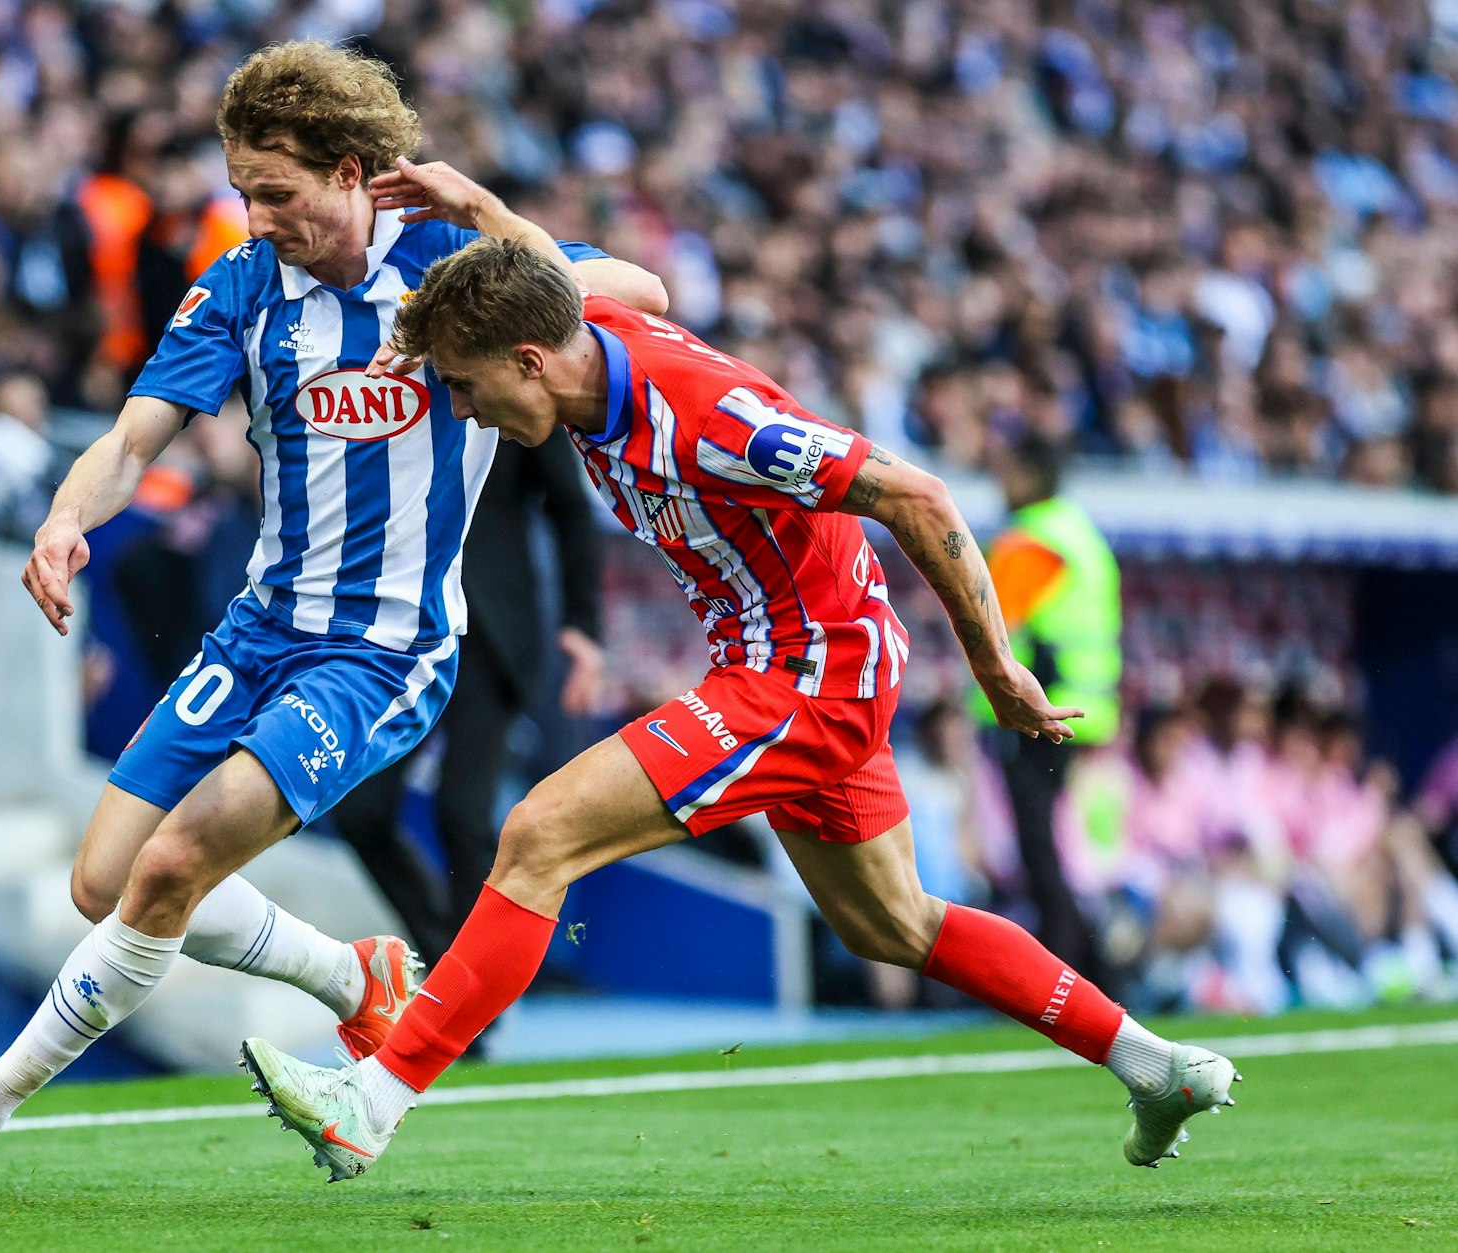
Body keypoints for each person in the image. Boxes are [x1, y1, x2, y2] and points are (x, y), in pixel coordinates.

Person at [237, 229, 1238, 1181]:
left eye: (464, 385)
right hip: (796, 659)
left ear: (531, 359)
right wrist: (461, 211)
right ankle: (1153, 1063)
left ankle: (369, 1099)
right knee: (891, 923)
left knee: (538, 831)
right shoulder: (574, 331)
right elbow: (540, 261)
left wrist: (993, 666)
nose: (459, 408)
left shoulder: (711, 421)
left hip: (804, 672)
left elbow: (920, 498)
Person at [0, 41, 666, 1153]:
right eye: (242, 190)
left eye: (276, 192)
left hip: (384, 648)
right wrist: (61, 520)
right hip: (257, 631)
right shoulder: (240, 285)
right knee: (106, 881)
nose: (256, 213)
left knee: (176, 864)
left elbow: (641, 291)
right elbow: (133, 438)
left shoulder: (449, 266)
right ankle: (354, 971)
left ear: (349, 171)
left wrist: (481, 204)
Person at [330, 431, 606, 964]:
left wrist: (583, 625)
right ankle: (450, 967)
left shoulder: (507, 381)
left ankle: (464, 999)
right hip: (397, 633)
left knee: (464, 817)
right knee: (361, 811)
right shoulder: (384, 377)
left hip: (490, 637)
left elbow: (570, 508)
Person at [974, 431, 1122, 984]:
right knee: (1055, 853)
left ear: (1030, 476)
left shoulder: (1031, 539)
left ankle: (1070, 977)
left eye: (1007, 470)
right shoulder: (1082, 534)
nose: (999, 482)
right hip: (1084, 711)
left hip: (1036, 715)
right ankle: (1098, 971)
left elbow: (992, 626)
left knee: (1041, 856)